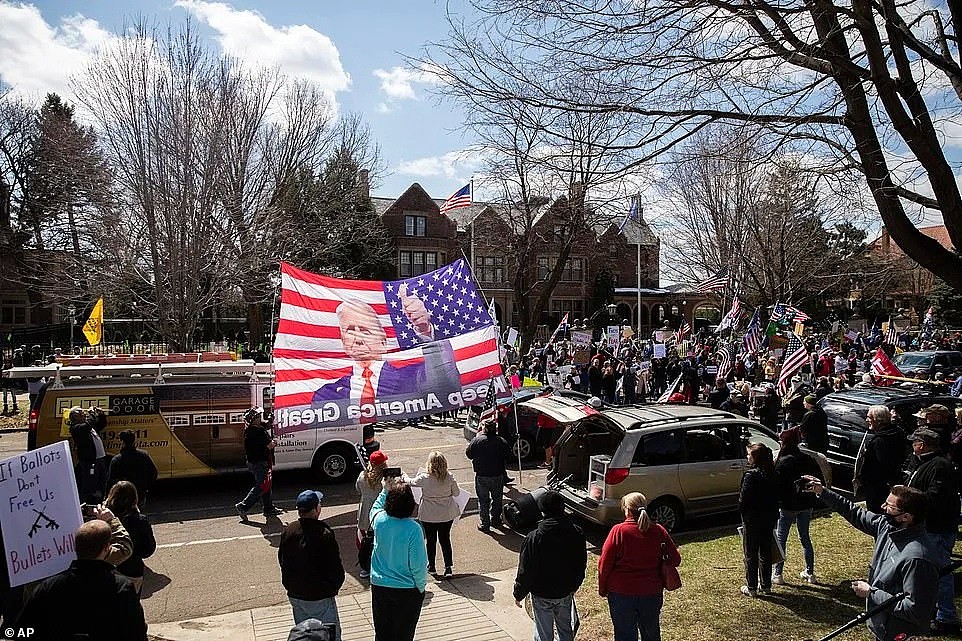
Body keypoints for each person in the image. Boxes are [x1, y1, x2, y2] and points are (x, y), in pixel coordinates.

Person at [807, 477, 938, 641]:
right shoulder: (887, 527)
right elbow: (855, 512)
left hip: (899, 634)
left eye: (889, 506)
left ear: (906, 517)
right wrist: (822, 491)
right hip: (881, 628)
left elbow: (914, 610)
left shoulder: (918, 558)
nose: (883, 508)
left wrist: (871, 593)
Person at [310, 298, 458, 410]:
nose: (357, 338)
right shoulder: (327, 395)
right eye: (350, 330)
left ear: (383, 342)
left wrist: (425, 331)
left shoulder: (414, 376)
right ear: (343, 341)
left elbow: (445, 385)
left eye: (364, 330)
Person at [15, 520, 148, 640]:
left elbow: (19, 631)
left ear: (75, 547)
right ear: (107, 548)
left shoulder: (48, 587)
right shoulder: (122, 588)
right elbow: (136, 633)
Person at [598, 492, 680, 641]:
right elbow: (676, 559)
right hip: (651, 592)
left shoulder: (618, 531)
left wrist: (603, 588)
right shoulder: (659, 530)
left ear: (627, 509)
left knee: (624, 634)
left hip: (621, 593)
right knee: (651, 632)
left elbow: (604, 564)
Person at [903, 426, 960, 634]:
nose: (911, 446)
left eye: (914, 442)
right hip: (929, 527)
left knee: (941, 573)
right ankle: (936, 611)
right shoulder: (926, 463)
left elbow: (936, 498)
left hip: (937, 528)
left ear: (921, 445)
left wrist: (909, 500)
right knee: (931, 573)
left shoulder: (940, 466)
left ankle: (947, 618)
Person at [513, 490, 587, 641]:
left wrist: (519, 593)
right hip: (565, 591)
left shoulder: (534, 538)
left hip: (542, 593)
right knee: (566, 630)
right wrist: (575, 585)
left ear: (542, 511)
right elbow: (581, 563)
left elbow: (526, 570)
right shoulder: (576, 532)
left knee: (543, 633)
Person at [278, 490, 345, 640]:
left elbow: (282, 560)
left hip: (295, 594)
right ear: (316, 509)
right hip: (319, 596)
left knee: (303, 635)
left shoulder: (289, 530)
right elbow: (335, 567)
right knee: (328, 635)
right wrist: (333, 587)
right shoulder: (324, 533)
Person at [369, 479, 428, 641]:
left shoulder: (379, 521)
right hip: (407, 589)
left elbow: (374, 508)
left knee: (382, 634)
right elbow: (418, 565)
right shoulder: (413, 528)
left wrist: (384, 490)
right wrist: (420, 587)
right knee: (404, 635)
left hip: (380, 586)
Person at [772, 428, 821, 586]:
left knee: (782, 539)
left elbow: (777, 485)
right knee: (805, 538)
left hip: (788, 506)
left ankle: (778, 574)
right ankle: (810, 572)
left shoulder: (783, 462)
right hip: (806, 503)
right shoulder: (807, 459)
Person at [406, 451, 460, 577]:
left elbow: (411, 482)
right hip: (446, 513)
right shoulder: (449, 476)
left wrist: (403, 476)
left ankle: (432, 566)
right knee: (445, 539)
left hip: (429, 514)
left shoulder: (424, 478)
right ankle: (448, 567)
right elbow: (456, 493)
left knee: (430, 540)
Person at [739, 443, 779, 597]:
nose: (747, 457)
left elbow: (743, 501)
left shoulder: (751, 476)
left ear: (755, 458)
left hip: (752, 519)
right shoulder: (773, 473)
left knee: (750, 553)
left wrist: (744, 516)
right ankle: (766, 585)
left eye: (749, 455)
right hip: (769, 518)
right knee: (765, 552)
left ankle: (751, 587)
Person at [104, 481, 156, 594]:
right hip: (131, 570)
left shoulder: (102, 518)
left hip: (106, 569)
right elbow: (148, 549)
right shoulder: (139, 520)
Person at [855, 405, 907, 512]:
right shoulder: (898, 432)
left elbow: (882, 465)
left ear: (878, 420)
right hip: (889, 483)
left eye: (869, 417)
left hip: (878, 487)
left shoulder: (880, 441)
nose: (866, 420)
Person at [235, 407, 282, 521]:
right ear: (254, 419)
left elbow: (264, 426)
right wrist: (274, 442)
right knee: (262, 486)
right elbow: (269, 445)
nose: (260, 417)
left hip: (254, 462)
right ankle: (243, 506)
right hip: (260, 462)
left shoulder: (250, 429)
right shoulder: (257, 432)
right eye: (258, 416)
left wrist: (270, 420)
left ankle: (268, 508)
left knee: (267, 484)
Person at [465, 419, 509, 533]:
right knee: (497, 499)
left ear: (484, 429)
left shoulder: (477, 441)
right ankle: (496, 520)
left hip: (482, 476)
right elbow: (508, 454)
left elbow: (469, 454)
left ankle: (485, 523)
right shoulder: (501, 441)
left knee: (483, 500)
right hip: (497, 475)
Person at [356, 449, 389, 579]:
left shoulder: (362, 476)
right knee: (381, 542)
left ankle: (366, 567)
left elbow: (358, 489)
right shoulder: (386, 479)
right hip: (381, 513)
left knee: (365, 542)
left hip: (365, 512)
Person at [106, 430, 159, 508]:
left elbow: (110, 481)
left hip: (123, 496)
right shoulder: (144, 455)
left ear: (122, 442)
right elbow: (153, 473)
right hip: (140, 493)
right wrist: (145, 487)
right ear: (134, 440)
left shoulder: (117, 459)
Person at [68, 405, 109, 503]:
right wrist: (91, 414)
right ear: (74, 417)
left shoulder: (88, 425)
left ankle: (99, 501)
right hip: (89, 460)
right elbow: (87, 426)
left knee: (102, 481)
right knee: (90, 483)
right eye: (80, 412)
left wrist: (101, 415)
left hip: (99, 458)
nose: (83, 413)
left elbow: (102, 424)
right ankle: (86, 504)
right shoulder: (76, 428)